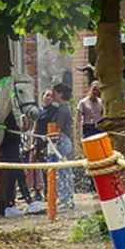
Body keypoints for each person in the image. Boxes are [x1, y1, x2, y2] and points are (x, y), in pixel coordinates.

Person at [50, 83, 76, 212]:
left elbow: (58, 129)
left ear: (60, 94)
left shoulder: (62, 109)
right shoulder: (65, 108)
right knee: (65, 171)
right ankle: (67, 199)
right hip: (66, 140)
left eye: (54, 92)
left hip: (62, 141)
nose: (52, 95)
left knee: (63, 172)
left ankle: (66, 199)